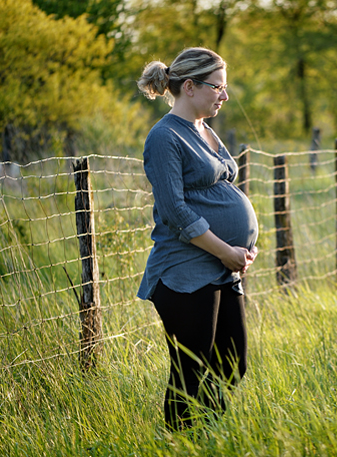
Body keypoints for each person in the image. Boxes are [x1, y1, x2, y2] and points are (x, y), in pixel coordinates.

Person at [136, 47, 258, 431]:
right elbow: (175, 211)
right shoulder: (164, 137)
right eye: (217, 87)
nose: (224, 95)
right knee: (191, 370)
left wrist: (237, 253)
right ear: (189, 86)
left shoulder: (205, 129)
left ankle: (205, 433)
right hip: (184, 271)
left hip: (221, 268)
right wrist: (226, 251)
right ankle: (182, 440)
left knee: (231, 364)